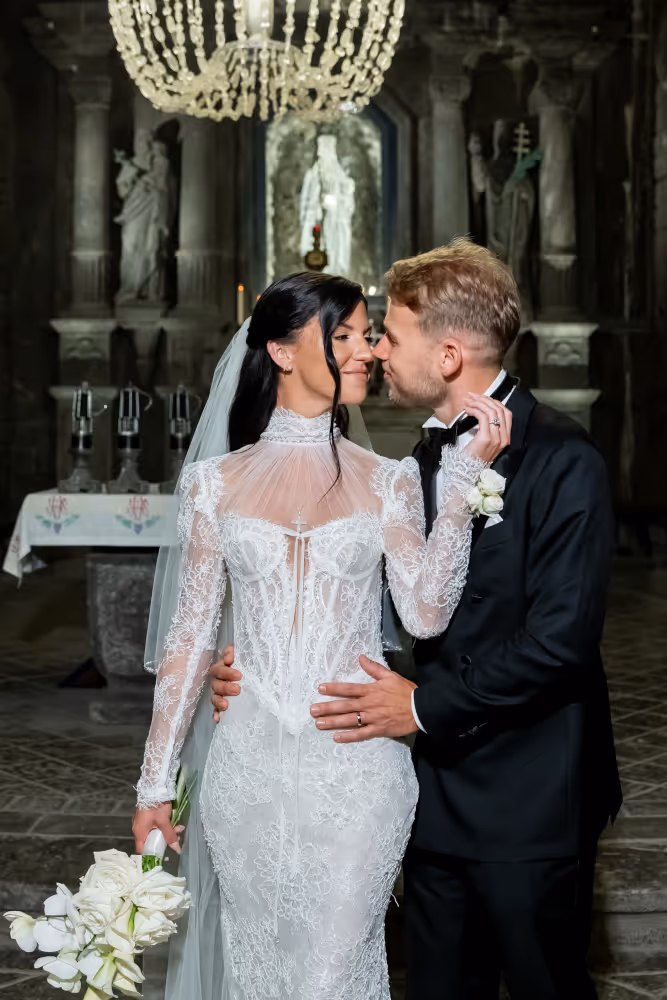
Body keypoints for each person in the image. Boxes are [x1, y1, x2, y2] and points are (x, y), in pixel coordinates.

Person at [211, 240, 622, 999]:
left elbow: (559, 644)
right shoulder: (415, 465)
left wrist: (420, 705)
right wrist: (259, 661)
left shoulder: (564, 460)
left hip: (526, 800)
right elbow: (401, 611)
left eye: (388, 336)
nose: (374, 352)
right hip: (425, 798)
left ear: (448, 354)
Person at [133, 269, 510, 1000]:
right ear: (279, 351)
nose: (365, 350)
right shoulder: (214, 483)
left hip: (355, 764)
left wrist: (463, 487)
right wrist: (155, 782)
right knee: (257, 963)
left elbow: (426, 614)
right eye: (342, 336)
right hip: (244, 766)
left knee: (333, 970)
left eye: (367, 334)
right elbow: (188, 638)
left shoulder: (390, 479)